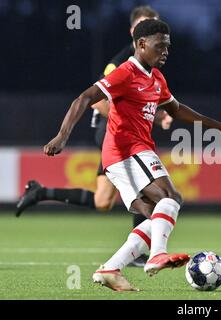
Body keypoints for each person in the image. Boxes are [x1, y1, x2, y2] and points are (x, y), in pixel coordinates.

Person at [43, 19, 221, 291]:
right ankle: (157, 255)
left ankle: (111, 268)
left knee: (155, 215)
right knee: (171, 197)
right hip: (126, 151)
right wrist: (62, 136)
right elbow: (85, 98)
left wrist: (218, 126)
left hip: (128, 156)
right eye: (160, 46)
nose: (166, 52)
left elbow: (177, 110)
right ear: (141, 44)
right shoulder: (125, 73)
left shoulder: (157, 78)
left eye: (168, 47)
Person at [15, 5, 170, 267]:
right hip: (110, 131)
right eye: (146, 24)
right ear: (134, 31)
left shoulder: (150, 62)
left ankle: (40, 192)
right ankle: (143, 251)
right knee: (151, 187)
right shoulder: (122, 62)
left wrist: (157, 113)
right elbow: (96, 102)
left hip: (118, 132)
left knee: (102, 201)